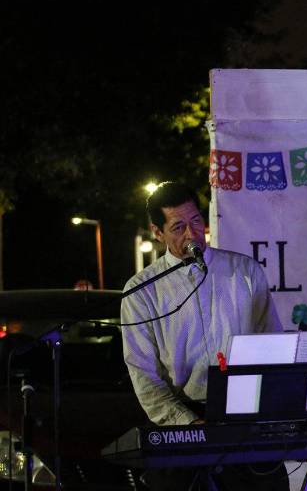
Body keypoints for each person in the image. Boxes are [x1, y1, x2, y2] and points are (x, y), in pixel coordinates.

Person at [121, 181, 288, 490]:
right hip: (184, 418)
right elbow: (143, 373)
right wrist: (189, 424)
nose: (191, 234)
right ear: (157, 233)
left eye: (196, 221)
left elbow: (272, 343)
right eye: (178, 227)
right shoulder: (141, 291)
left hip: (245, 415)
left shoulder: (244, 271)